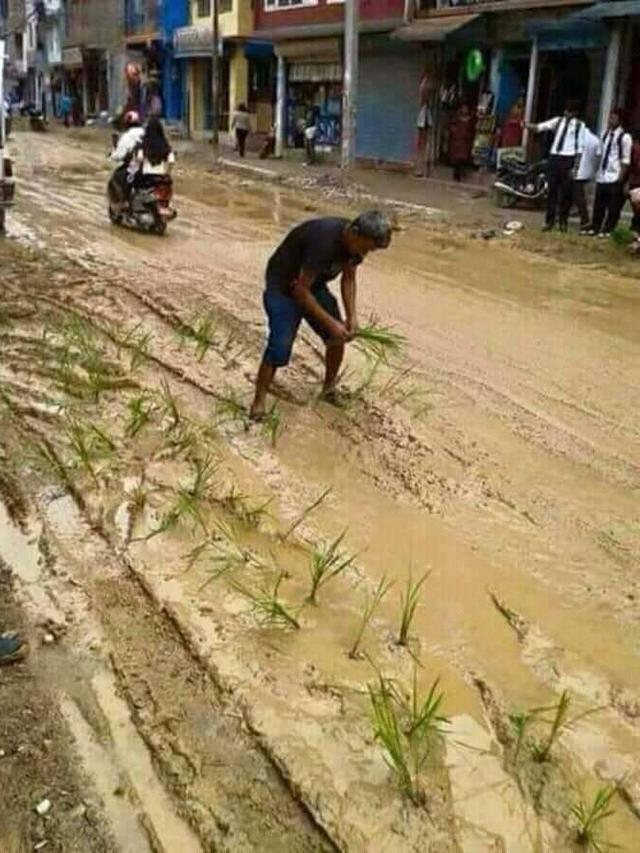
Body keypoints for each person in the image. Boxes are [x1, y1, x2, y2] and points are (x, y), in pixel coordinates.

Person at [250, 211, 393, 419]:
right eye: (364, 247)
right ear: (354, 232)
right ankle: (258, 402)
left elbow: (349, 278)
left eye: (369, 250)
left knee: (337, 338)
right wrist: (332, 323)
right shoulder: (323, 242)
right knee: (279, 346)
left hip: (312, 286)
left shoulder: (354, 248)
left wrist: (352, 316)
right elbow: (300, 291)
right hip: (282, 287)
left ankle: (328, 389)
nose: (364, 254)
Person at [526, 99, 585, 232]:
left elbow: (580, 149)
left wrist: (576, 167)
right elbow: (540, 127)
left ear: (575, 113)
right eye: (566, 111)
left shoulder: (579, 126)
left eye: (570, 112)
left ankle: (563, 222)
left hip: (568, 158)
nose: (567, 114)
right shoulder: (558, 121)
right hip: (555, 157)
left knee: (566, 193)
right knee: (552, 191)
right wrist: (526, 125)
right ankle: (549, 221)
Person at [588, 109, 632, 237]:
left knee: (613, 206)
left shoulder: (624, 137)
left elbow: (625, 159)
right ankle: (595, 226)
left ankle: (608, 229)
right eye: (610, 118)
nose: (611, 120)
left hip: (615, 174)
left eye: (614, 118)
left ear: (619, 120)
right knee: (599, 204)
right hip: (603, 174)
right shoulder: (605, 134)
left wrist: (621, 177)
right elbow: (600, 153)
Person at [110, 111, 145, 206]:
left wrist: (113, 154)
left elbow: (119, 155)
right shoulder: (145, 133)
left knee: (118, 177)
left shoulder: (127, 136)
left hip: (135, 168)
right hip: (150, 168)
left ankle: (125, 202)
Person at [574, 120, 602, 234]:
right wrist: (594, 170)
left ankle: (585, 221)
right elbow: (598, 157)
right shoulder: (596, 140)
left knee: (578, 197)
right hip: (589, 173)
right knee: (582, 197)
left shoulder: (578, 138)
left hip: (576, 171)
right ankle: (585, 220)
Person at [135, 116, 175, 180]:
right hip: (160, 175)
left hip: (147, 176)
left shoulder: (144, 142)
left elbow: (140, 158)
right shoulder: (164, 143)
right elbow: (171, 160)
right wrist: (167, 173)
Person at [448, 103, 475, 182]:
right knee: (456, 158)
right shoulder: (457, 118)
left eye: (466, 108)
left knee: (463, 158)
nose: (464, 110)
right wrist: (454, 130)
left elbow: (472, 130)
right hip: (457, 140)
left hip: (465, 141)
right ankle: (456, 175)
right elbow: (450, 125)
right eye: (463, 108)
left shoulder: (470, 119)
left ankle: (462, 173)